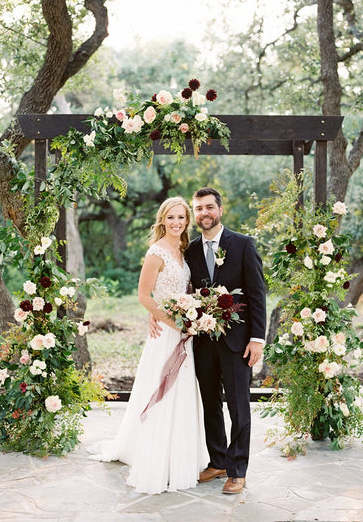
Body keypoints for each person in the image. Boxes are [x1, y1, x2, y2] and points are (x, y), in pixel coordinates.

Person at [87, 196, 208, 494]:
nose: (177, 223)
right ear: (162, 220)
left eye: (181, 218)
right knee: (162, 389)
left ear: (187, 221)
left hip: (184, 330)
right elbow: (143, 295)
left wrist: (192, 315)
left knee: (182, 390)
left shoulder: (183, 250)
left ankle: (179, 454)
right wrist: (169, 321)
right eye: (171, 218)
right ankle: (156, 458)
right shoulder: (156, 252)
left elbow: (185, 289)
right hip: (168, 333)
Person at [185, 187, 266, 495]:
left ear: (220, 209)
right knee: (209, 404)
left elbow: (257, 294)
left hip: (238, 342)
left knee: (238, 407)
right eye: (198, 209)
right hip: (203, 342)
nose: (204, 213)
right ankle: (217, 460)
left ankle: (237, 469)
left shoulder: (243, 244)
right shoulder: (190, 250)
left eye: (209, 207)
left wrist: (257, 339)